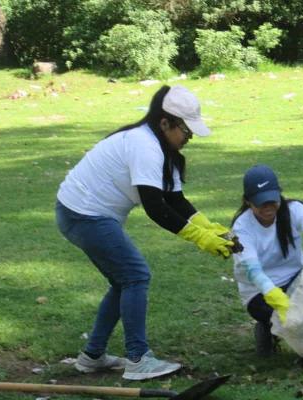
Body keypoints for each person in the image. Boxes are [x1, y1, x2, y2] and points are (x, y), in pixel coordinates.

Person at [55, 85, 235, 380]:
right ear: (165, 123)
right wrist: (199, 238)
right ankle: (138, 359)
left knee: (123, 281)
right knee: (136, 275)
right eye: (185, 132)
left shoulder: (164, 149)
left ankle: (93, 356)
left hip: (85, 214)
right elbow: (155, 207)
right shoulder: (144, 145)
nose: (187, 139)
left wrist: (212, 229)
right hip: (82, 214)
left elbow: (175, 200)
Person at [230, 164, 303, 356]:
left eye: (272, 201)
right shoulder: (242, 227)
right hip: (259, 292)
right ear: (248, 202)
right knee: (284, 318)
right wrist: (277, 299)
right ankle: (267, 330)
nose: (268, 207)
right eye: (261, 203)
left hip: (294, 279)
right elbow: (253, 271)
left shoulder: (294, 210)